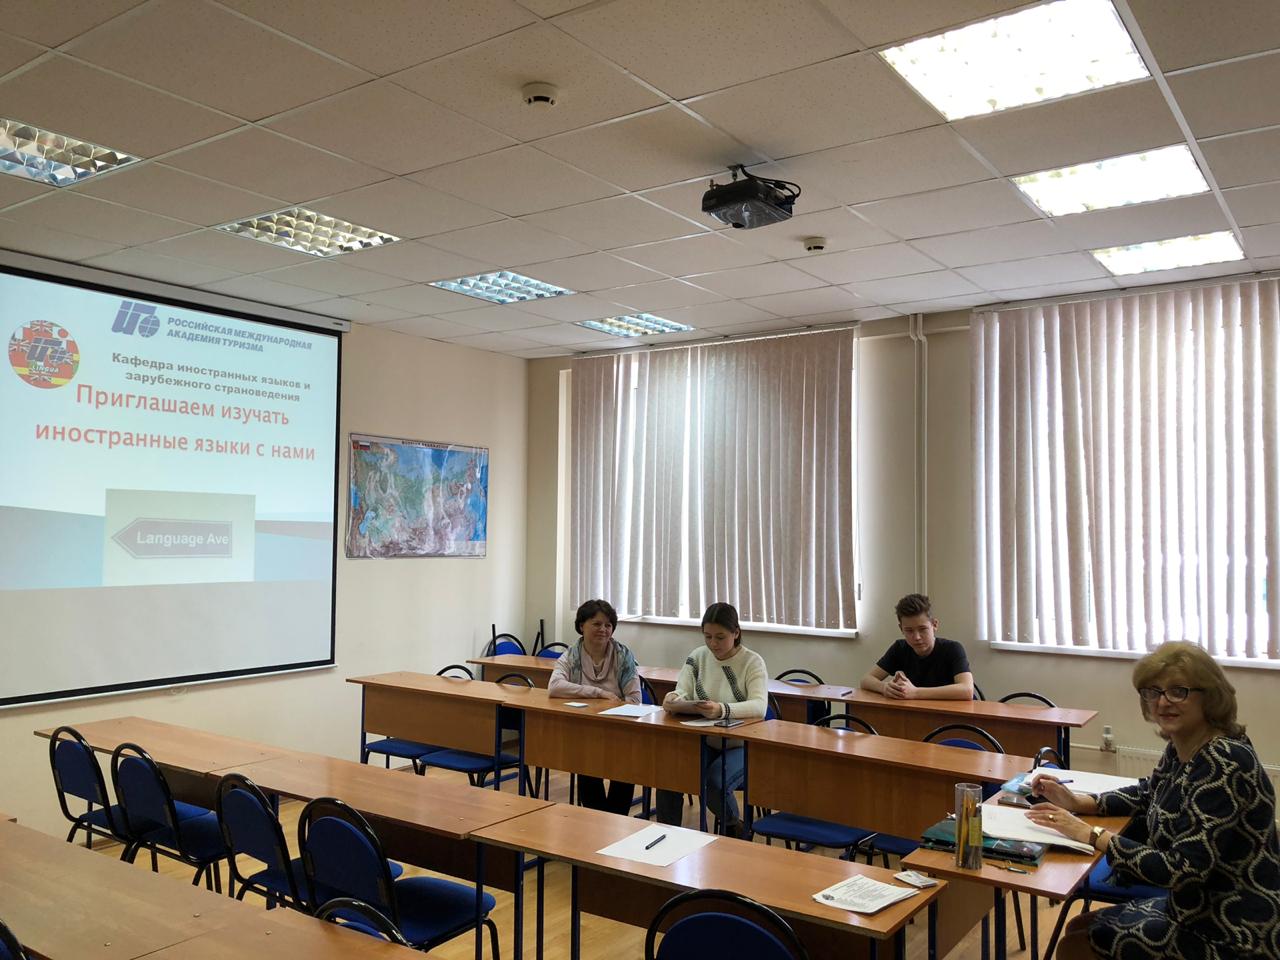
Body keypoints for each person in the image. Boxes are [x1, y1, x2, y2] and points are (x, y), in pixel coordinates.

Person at [1025, 641, 1279, 960]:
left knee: (1076, 946)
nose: (1162, 702)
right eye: (1153, 691)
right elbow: (1149, 792)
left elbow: (1181, 870)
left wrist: (1090, 834)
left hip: (1232, 932)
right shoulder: (1184, 744)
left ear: (1210, 696)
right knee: (1080, 927)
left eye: (1178, 691)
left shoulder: (1223, 761)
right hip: (1193, 909)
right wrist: (1079, 802)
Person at [654, 602, 768, 836]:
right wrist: (673, 699)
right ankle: (668, 835)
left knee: (716, 781)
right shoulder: (698, 656)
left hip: (742, 745)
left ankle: (734, 826)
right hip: (706, 740)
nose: (713, 643)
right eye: (708, 637)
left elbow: (759, 707)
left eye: (720, 637)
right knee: (669, 774)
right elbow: (683, 689)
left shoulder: (752, 661)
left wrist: (721, 710)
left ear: (736, 633)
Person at [548, 599, 641, 816]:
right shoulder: (572, 655)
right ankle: (596, 818)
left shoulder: (623, 655)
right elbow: (554, 686)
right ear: (582, 626)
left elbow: (635, 699)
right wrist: (598, 693)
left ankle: (616, 819)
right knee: (586, 757)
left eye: (608, 625)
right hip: (585, 728)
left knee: (624, 765)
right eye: (597, 624)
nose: (603, 629)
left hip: (619, 728)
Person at [859, 593, 974, 700]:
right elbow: (866, 680)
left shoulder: (953, 648)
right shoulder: (899, 648)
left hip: (954, 712)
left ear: (934, 625)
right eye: (909, 631)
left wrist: (915, 692)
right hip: (920, 710)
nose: (917, 637)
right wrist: (884, 687)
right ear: (901, 629)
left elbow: (967, 690)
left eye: (922, 629)